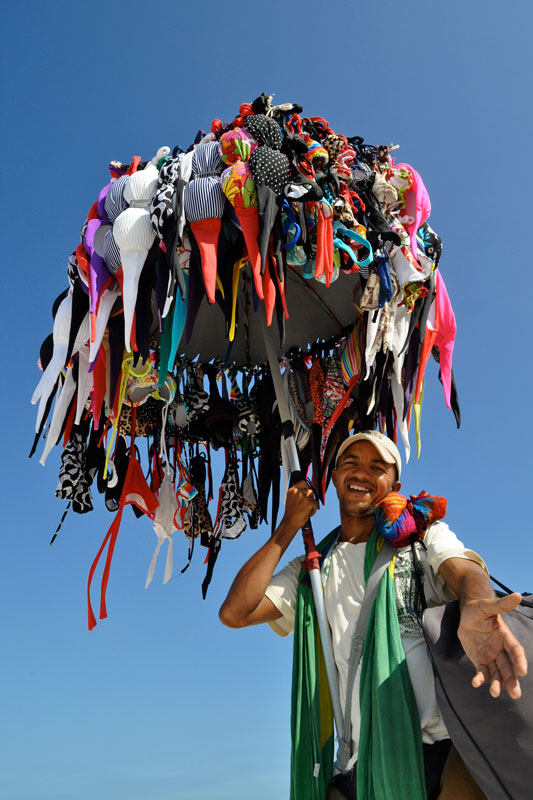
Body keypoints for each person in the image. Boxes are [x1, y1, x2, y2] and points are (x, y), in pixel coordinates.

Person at [219, 431, 527, 800]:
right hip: (364, 760)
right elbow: (236, 612)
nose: (362, 472)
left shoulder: (422, 538)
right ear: (334, 477)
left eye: (377, 467)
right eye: (351, 462)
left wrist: (476, 603)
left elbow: (464, 571)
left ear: (393, 486)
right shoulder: (312, 569)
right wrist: (288, 526)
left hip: (445, 746)